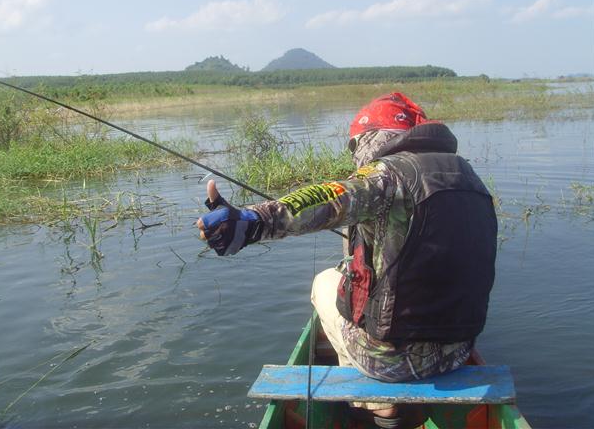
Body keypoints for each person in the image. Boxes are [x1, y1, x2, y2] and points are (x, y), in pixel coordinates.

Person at [197, 92, 497, 429]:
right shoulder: (471, 178)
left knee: (324, 283)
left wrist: (251, 223)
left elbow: (328, 198)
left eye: (355, 146)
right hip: (458, 353)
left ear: (372, 139)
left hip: (391, 361)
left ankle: (370, 403)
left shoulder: (388, 174)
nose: (355, 156)